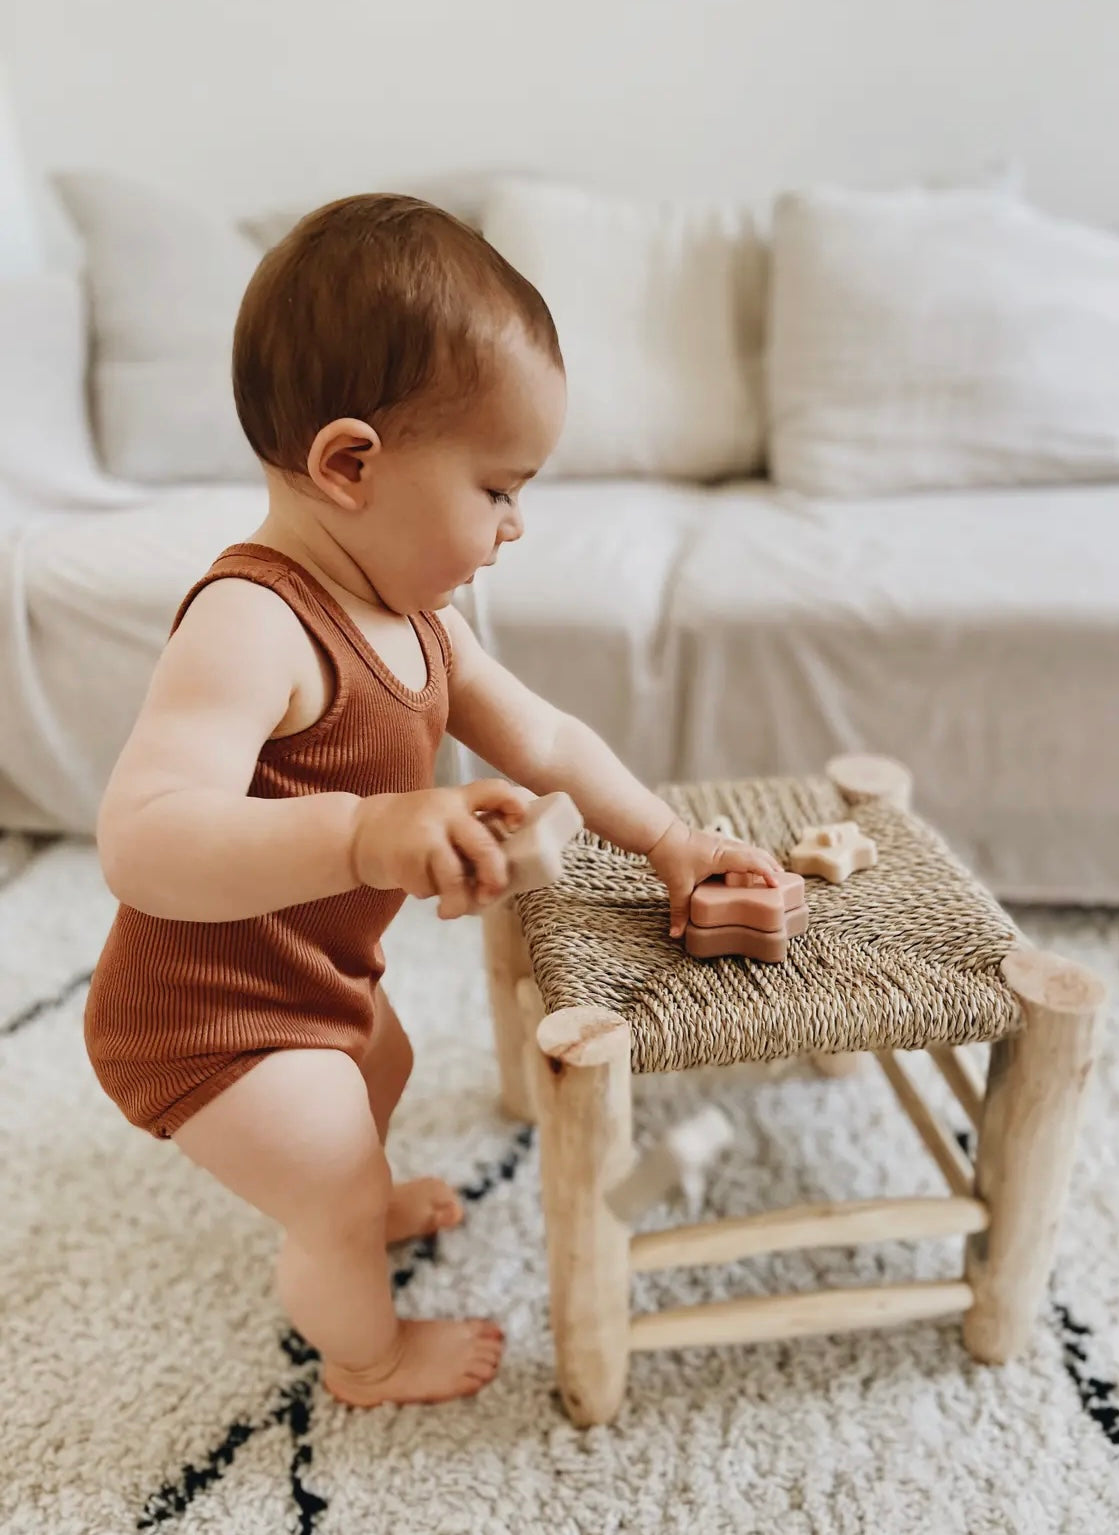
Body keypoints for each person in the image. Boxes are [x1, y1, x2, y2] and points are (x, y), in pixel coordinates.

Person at [84, 194, 789, 1408]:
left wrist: (669, 837)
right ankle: (359, 1346)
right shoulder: (255, 622)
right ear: (350, 464)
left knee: (381, 1066)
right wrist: (364, 830)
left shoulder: (420, 622)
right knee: (338, 1192)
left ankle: (347, 1185)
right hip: (204, 1018)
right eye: (498, 488)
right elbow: (141, 841)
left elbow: (552, 738)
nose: (516, 526)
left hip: (314, 980)